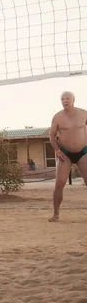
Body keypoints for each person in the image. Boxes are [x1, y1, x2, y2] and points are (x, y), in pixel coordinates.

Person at [48, 91, 87, 222]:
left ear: (73, 100)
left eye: (67, 98)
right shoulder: (57, 117)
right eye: (63, 99)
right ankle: (56, 213)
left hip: (83, 152)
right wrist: (57, 151)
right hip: (65, 153)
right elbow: (52, 136)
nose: (65, 100)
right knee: (59, 183)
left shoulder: (83, 113)